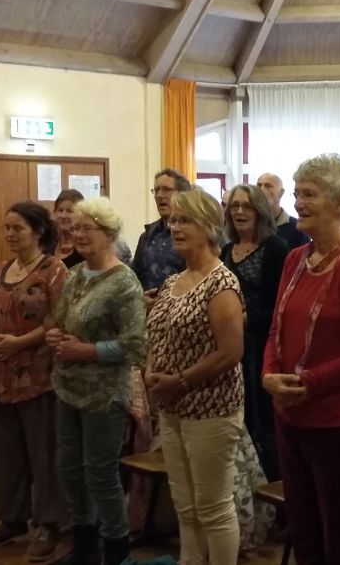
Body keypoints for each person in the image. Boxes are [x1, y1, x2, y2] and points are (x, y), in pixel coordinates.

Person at [263, 154, 340, 565]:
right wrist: (269, 374)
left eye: (309, 194)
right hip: (292, 418)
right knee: (305, 536)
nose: (298, 202)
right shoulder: (295, 259)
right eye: (297, 193)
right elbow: (276, 329)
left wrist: (306, 383)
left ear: (338, 202)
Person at [146, 188, 246, 565]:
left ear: (208, 228)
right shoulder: (173, 281)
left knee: (213, 507)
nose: (176, 227)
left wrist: (181, 380)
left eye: (185, 220)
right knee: (184, 505)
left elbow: (230, 352)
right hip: (172, 406)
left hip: (210, 408)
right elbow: (158, 333)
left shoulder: (222, 283)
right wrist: (152, 370)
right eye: (174, 220)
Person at [45, 197, 146, 565]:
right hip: (68, 387)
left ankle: (116, 551)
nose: (78, 234)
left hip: (104, 394)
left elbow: (135, 345)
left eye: (87, 228)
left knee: (100, 473)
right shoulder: (75, 275)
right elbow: (59, 320)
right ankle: (85, 547)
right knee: (70, 469)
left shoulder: (124, 282)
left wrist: (85, 351)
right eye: (75, 228)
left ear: (108, 233)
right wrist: (55, 336)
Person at [0, 201, 68, 562]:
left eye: (18, 228)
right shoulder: (1, 269)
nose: (10, 234)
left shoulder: (54, 269)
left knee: (43, 454)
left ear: (38, 231)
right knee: (5, 454)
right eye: (7, 228)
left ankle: (49, 523)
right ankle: (12, 519)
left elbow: (58, 320)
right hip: (0, 375)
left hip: (38, 375)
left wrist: (19, 342)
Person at [221, 184, 289, 479]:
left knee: (263, 425)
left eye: (246, 206)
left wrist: (246, 319)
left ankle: (273, 489)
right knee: (240, 422)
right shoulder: (226, 250)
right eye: (234, 206)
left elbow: (281, 306)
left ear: (260, 211)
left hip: (261, 348)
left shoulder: (275, 248)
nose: (239, 211)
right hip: (230, 347)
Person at [133, 168, 191, 293]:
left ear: (183, 194)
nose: (159, 195)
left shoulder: (193, 234)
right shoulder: (147, 236)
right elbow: (135, 279)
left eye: (166, 190)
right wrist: (141, 298)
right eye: (157, 190)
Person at [257, 172, 310, 249]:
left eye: (268, 186)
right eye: (259, 185)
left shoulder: (297, 228)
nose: (261, 189)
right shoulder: (250, 224)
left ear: (281, 193)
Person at [53, 188, 86, 269]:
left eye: (69, 211)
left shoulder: (85, 246)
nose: (63, 216)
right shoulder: (48, 243)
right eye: (60, 210)